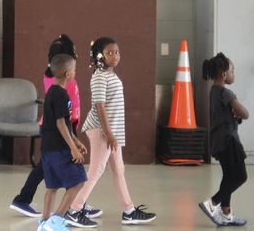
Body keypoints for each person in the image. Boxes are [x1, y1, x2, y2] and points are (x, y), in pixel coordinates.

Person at [10, 35, 103, 222]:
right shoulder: (56, 85)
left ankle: (67, 209)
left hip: (65, 127)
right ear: (65, 68)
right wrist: (73, 145)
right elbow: (61, 120)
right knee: (72, 174)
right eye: (73, 62)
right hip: (60, 130)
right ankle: (72, 210)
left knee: (49, 172)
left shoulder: (59, 81)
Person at [69, 37, 156, 226]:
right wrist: (108, 133)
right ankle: (74, 209)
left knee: (118, 170)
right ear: (100, 56)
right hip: (102, 130)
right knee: (96, 170)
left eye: (117, 52)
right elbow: (99, 106)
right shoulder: (99, 76)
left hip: (111, 131)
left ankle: (129, 210)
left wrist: (112, 133)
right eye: (110, 53)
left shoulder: (111, 75)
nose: (115, 56)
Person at [38, 53, 89, 231]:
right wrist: (73, 148)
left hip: (47, 149)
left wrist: (76, 140)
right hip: (60, 149)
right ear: (68, 73)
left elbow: (63, 123)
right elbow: (60, 124)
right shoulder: (61, 95)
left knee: (52, 187)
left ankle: (44, 222)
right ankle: (57, 220)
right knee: (78, 182)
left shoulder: (51, 92)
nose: (75, 72)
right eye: (74, 69)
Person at [199, 53, 249, 226]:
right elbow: (245, 113)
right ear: (223, 74)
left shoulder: (213, 91)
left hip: (218, 141)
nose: (234, 74)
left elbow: (225, 116)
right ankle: (213, 203)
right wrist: (238, 112)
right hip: (229, 141)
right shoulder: (226, 93)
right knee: (241, 176)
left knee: (228, 176)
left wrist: (233, 116)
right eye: (232, 71)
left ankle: (226, 213)